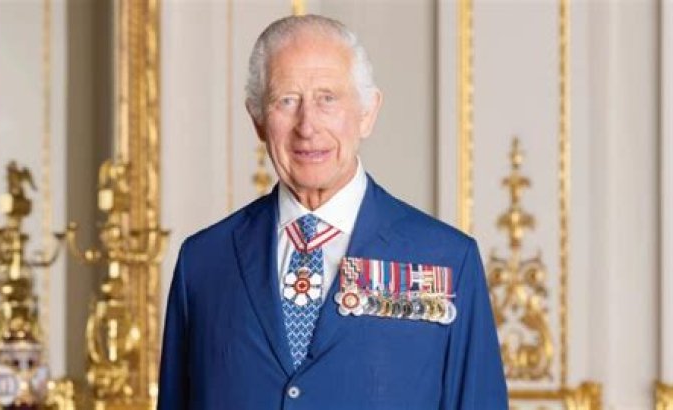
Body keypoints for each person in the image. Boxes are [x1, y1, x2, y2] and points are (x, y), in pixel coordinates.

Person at [158, 14, 507, 410]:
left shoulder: (447, 259)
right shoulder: (202, 263)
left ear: (367, 113)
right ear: (258, 120)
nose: (307, 126)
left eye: (328, 98)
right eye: (286, 100)